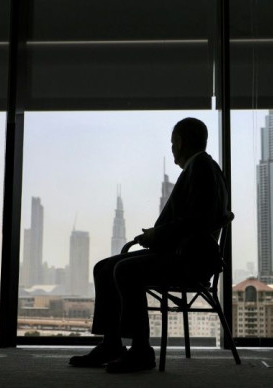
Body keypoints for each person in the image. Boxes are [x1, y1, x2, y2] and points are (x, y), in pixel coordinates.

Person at [69, 117, 229, 373]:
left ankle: (141, 350)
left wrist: (157, 234)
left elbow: (196, 221)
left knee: (124, 270)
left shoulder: (200, 168)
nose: (172, 149)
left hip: (188, 259)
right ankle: (111, 344)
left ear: (179, 141)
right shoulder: (204, 168)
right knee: (104, 267)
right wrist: (157, 235)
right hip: (184, 253)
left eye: (172, 143)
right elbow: (193, 220)